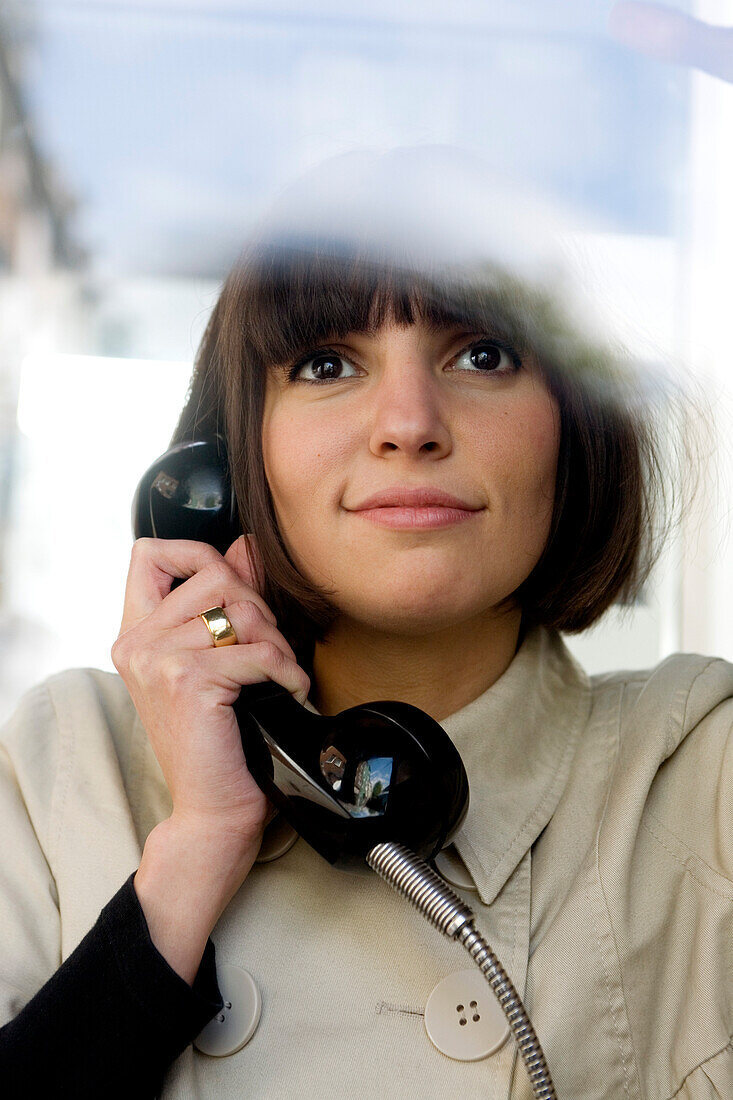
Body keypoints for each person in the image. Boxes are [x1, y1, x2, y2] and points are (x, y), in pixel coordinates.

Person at [0, 153, 731, 1100]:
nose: (409, 424)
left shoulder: (701, 777)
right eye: (326, 364)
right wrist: (196, 850)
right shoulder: (66, 765)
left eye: (484, 354)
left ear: (575, 427)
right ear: (227, 467)